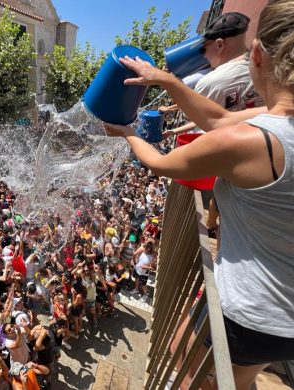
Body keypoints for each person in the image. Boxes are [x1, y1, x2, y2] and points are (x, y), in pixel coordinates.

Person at [104, 1, 294, 387]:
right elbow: (219, 118)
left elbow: (159, 164)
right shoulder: (267, 122)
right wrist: (166, 80)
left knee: (184, 355)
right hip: (285, 321)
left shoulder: (252, 139)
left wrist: (127, 133)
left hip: (254, 311)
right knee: (243, 376)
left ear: (256, 55)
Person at [163, 11, 264, 139]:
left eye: (202, 49)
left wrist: (172, 84)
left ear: (220, 45)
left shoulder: (211, 82)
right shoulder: (266, 68)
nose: (203, 56)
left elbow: (196, 116)